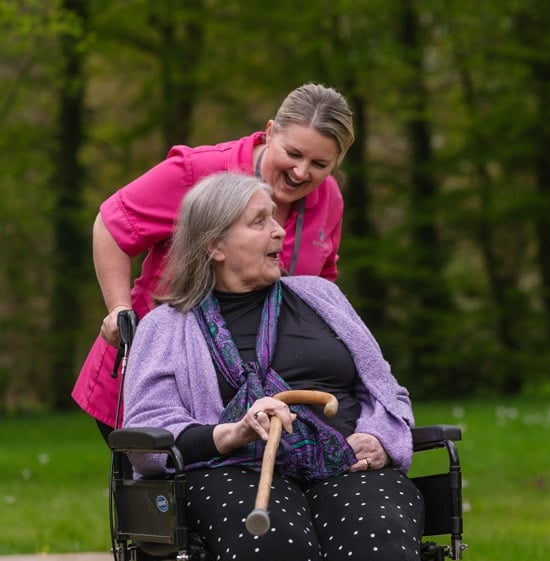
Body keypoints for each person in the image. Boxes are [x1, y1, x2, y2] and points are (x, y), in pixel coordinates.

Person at [122, 172, 422, 561]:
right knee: (276, 546)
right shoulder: (166, 326)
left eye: (276, 219)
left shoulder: (322, 296)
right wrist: (235, 432)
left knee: (379, 541)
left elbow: (386, 392)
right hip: (230, 472)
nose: (279, 232)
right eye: (259, 222)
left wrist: (379, 438)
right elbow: (145, 441)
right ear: (215, 245)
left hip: (345, 465)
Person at [72, 83, 355, 438]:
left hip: (258, 392)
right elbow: (113, 225)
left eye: (319, 164)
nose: (300, 172)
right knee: (166, 487)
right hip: (158, 375)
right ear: (270, 133)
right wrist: (118, 308)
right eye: (293, 153)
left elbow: (320, 286)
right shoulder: (198, 171)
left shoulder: (328, 198)